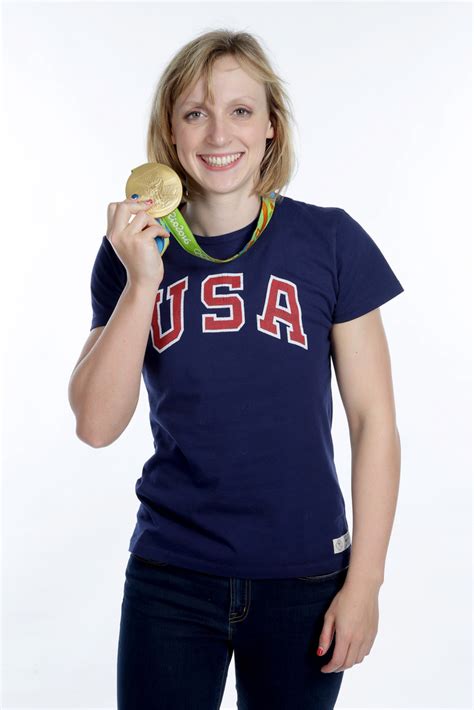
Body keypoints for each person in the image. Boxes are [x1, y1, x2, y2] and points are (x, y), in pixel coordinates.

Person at [68, 29, 404, 710]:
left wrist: (364, 581)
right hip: (172, 577)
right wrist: (142, 282)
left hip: (305, 578)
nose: (218, 131)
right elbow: (97, 425)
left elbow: (375, 423)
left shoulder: (329, 240)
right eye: (195, 112)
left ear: (271, 125)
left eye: (240, 110)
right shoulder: (131, 253)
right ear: (170, 130)